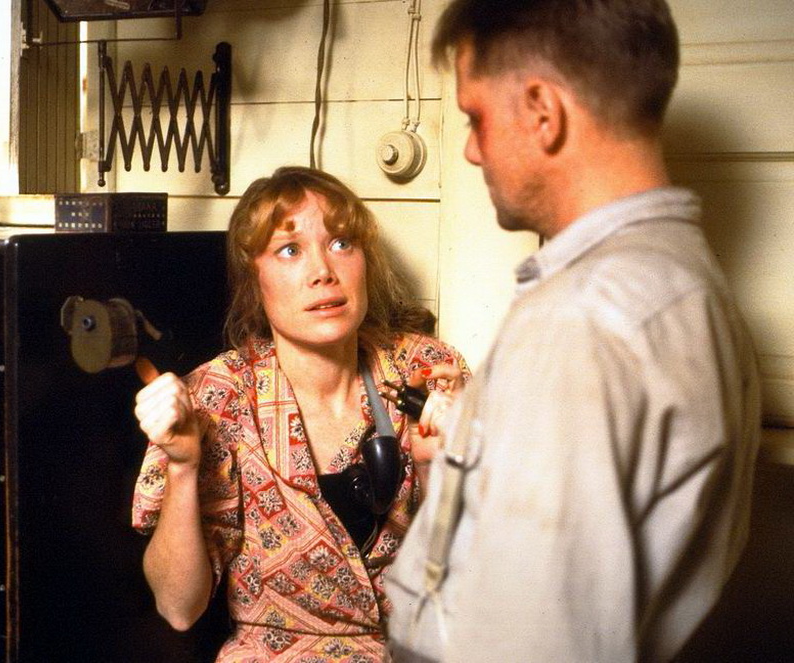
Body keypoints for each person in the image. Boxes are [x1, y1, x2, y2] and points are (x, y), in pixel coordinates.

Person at [385, 1, 762, 662]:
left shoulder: (579, 319)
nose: (470, 149)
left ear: (542, 111)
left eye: (476, 117)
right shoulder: (686, 281)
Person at [131, 166, 469, 661]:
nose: (323, 271)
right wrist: (183, 466)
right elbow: (178, 607)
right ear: (255, 280)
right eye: (290, 250)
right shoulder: (216, 397)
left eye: (341, 243)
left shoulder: (427, 371)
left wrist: (433, 467)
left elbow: (478, 582)